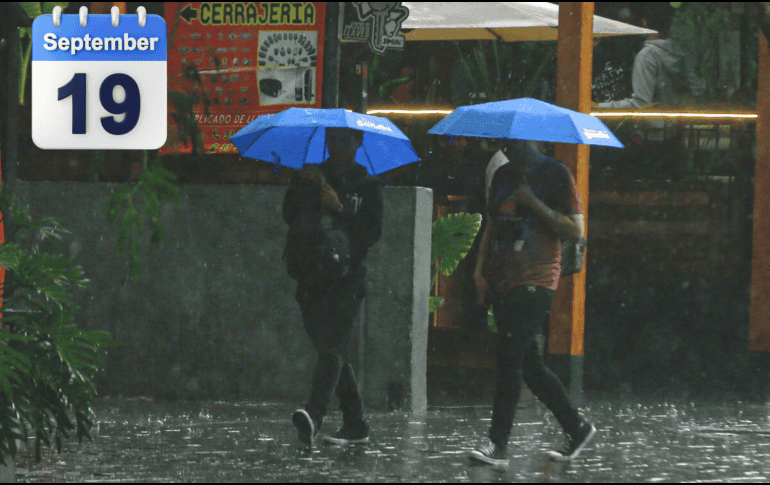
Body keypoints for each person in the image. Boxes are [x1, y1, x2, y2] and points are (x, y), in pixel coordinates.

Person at [469, 139, 595, 468]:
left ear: (530, 138)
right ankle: (576, 427)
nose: (507, 147)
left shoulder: (556, 174)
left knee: (509, 358)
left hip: (537, 278)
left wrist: (532, 202)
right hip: (503, 277)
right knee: (529, 364)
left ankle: (498, 444)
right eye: (503, 143)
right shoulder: (503, 174)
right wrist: (480, 270)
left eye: (513, 142)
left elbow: (575, 230)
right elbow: (492, 225)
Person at [282, 127, 384, 447]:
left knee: (332, 348)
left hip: (347, 279)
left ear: (358, 142)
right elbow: (289, 215)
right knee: (331, 350)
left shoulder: (367, 185)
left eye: (344, 139)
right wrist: (304, 187)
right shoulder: (311, 176)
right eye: (332, 139)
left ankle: (314, 414)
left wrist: (339, 208)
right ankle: (355, 422)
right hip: (311, 275)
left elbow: (370, 233)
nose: (336, 145)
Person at [593, 4, 704, 180]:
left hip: (649, 139)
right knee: (666, 186)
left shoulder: (646, 56)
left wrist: (599, 107)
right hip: (673, 134)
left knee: (641, 184)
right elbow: (695, 89)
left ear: (644, 23)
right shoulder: (679, 53)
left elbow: (640, 103)